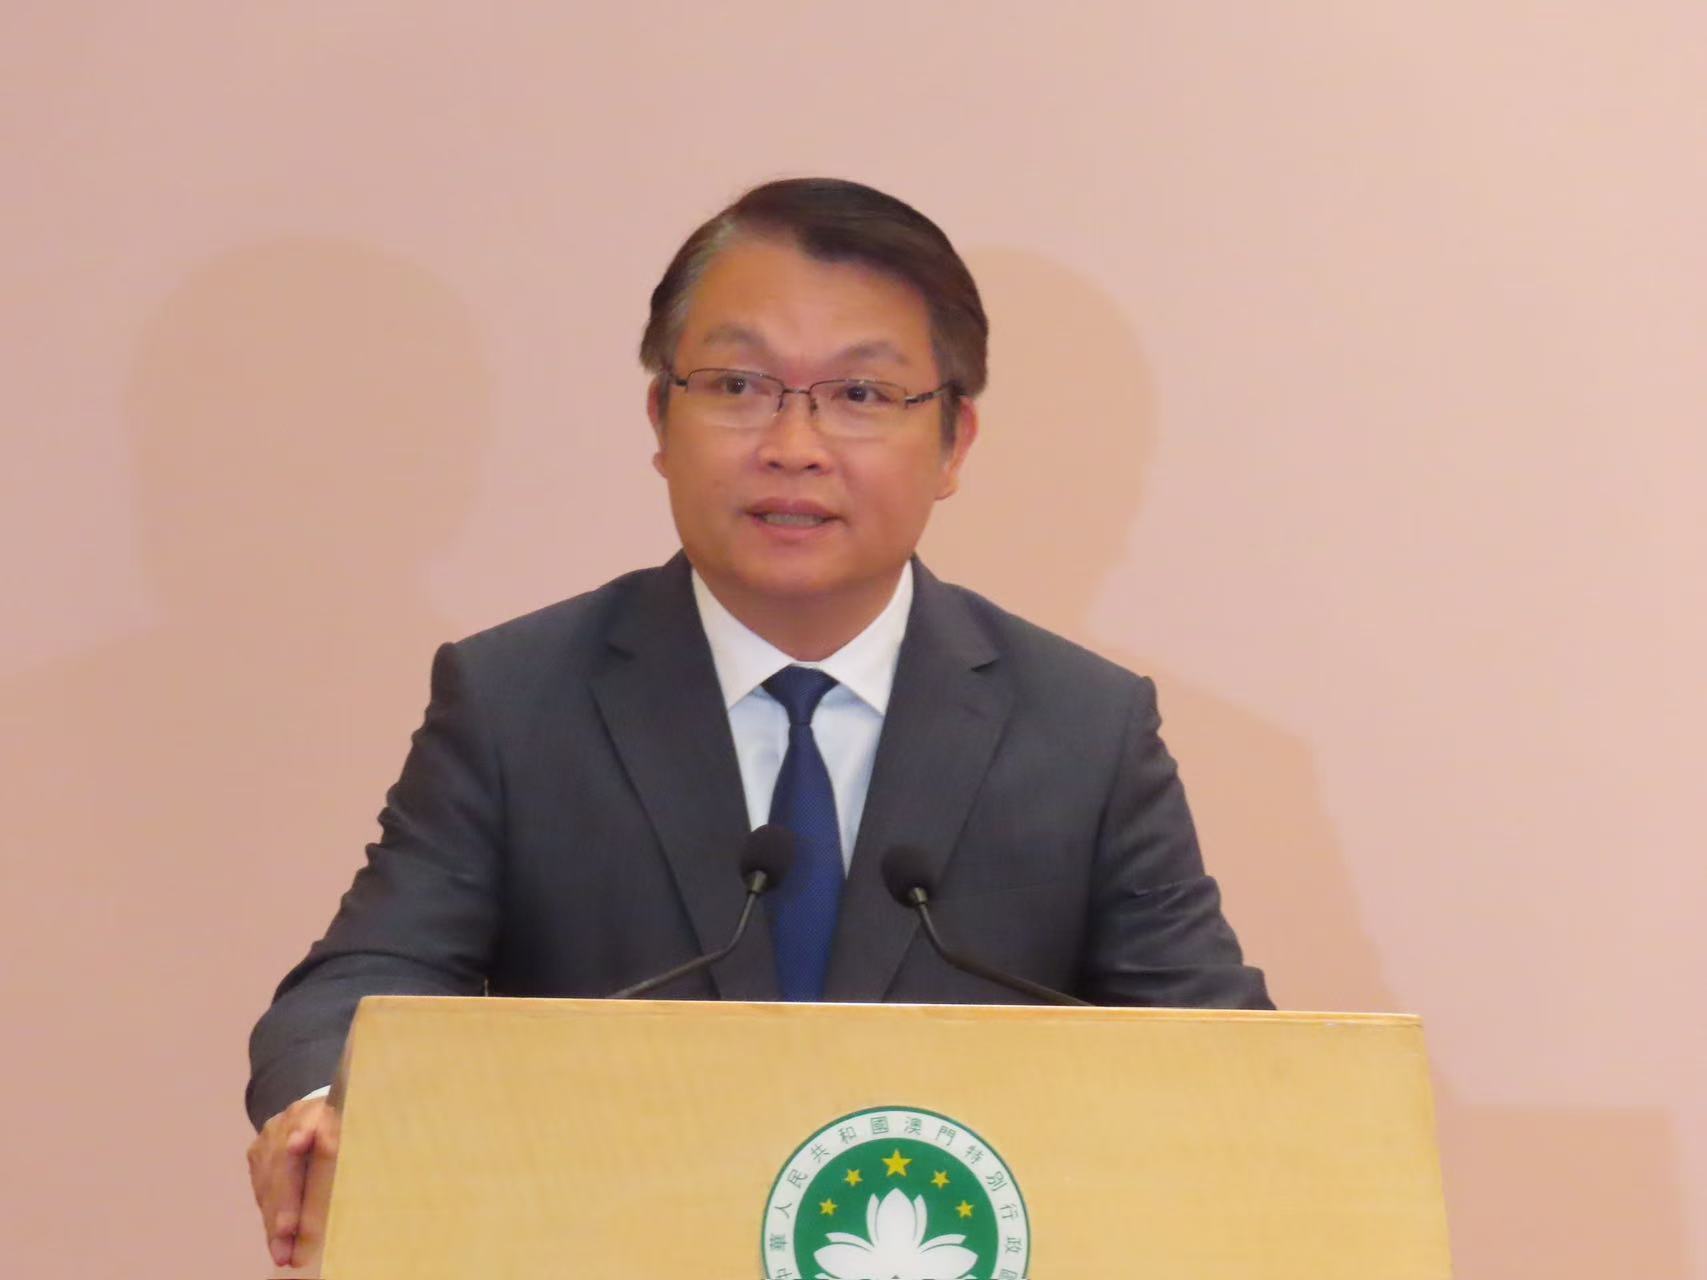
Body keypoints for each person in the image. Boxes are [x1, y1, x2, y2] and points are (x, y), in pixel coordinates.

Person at [244, 177, 1271, 1267]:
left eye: (860, 394)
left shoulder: (1082, 728)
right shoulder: (517, 698)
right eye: (738, 385)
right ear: (659, 418)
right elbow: (361, 982)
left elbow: (1224, 1059)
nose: (794, 444)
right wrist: (322, 1111)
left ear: (955, 441)